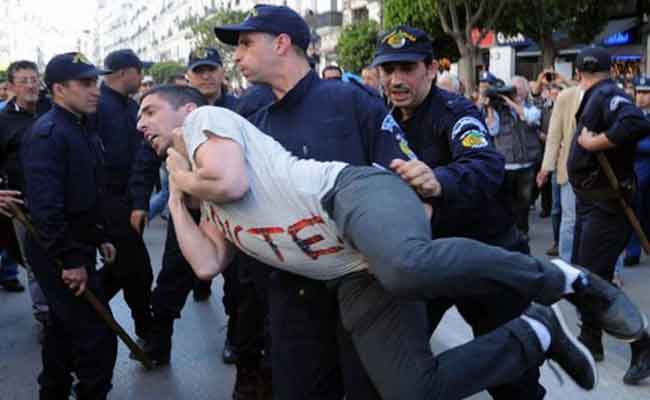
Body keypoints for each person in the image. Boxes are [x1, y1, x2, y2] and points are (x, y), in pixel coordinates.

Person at [139, 84, 646, 399]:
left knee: (405, 265)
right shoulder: (202, 197)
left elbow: (230, 182)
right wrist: (180, 199)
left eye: (148, 111)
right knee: (410, 389)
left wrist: (182, 181)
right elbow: (206, 264)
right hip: (353, 269)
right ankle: (538, 334)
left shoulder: (206, 121)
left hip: (358, 197)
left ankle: (566, 279)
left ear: (183, 110)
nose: (139, 123)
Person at [216, 5, 415, 398]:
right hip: (292, 296)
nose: (236, 55)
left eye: (245, 43)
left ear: (282, 43)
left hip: (364, 287)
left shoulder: (351, 101)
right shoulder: (251, 119)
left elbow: (402, 178)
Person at [371, 25, 543, 399]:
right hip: (426, 260)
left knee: (514, 379)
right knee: (394, 368)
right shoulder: (378, 118)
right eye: (388, 70)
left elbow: (486, 164)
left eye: (407, 68)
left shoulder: (455, 112)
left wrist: (440, 180)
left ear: (431, 69)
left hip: (485, 254)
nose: (396, 80)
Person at [21, 52, 117, 400]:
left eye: (97, 82)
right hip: (60, 251)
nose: (96, 90)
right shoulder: (48, 134)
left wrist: (100, 235)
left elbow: (88, 188)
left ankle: (53, 392)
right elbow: (47, 208)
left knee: (63, 329)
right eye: (86, 83)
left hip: (79, 243)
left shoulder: (79, 125)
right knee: (96, 338)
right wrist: (71, 260)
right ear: (59, 89)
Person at [567, 46, 650, 385]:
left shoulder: (606, 93)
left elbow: (635, 122)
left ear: (577, 72)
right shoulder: (600, 92)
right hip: (591, 202)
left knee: (591, 281)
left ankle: (642, 343)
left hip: (606, 205)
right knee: (583, 277)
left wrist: (595, 143)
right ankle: (591, 339)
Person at [96, 49, 154, 343]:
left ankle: (146, 329)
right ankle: (146, 330)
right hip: (111, 203)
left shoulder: (131, 107)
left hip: (129, 201)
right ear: (123, 73)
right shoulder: (98, 107)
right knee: (135, 272)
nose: (142, 77)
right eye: (138, 71)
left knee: (129, 272)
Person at [0, 60, 50, 327]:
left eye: (35, 79)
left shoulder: (53, 110)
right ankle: (45, 315)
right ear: (10, 86)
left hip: (58, 202)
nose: (31, 86)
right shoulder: (2, 121)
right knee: (35, 263)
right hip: (24, 207)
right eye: (24, 81)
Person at [485, 74, 543, 240]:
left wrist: (512, 103)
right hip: (506, 163)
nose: (516, 91)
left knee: (524, 203)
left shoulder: (533, 105)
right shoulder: (500, 109)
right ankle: (509, 232)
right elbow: (492, 130)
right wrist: (490, 109)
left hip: (527, 163)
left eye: (519, 88)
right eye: (513, 88)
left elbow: (531, 118)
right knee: (507, 202)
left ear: (526, 90)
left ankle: (522, 231)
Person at [537, 83, 583, 263]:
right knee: (569, 220)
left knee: (603, 221)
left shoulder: (609, 93)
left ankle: (612, 272)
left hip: (601, 171)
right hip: (569, 168)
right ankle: (566, 266)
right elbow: (554, 135)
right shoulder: (565, 97)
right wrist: (546, 167)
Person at [623, 75, 650, 267]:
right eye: (639, 92)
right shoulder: (629, 114)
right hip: (637, 167)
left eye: (646, 93)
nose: (641, 97)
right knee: (634, 209)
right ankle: (632, 250)